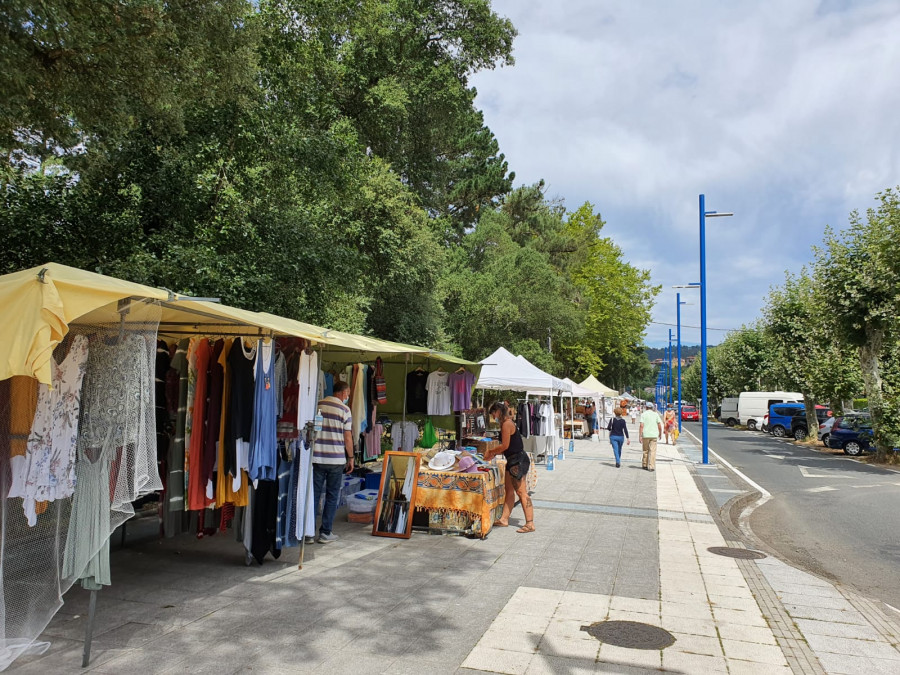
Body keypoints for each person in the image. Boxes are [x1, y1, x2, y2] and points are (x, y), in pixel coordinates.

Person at [312, 380, 354, 543]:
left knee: (314, 495)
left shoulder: (318, 404)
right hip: (336, 459)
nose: (348, 397)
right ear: (343, 393)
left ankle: (309, 533)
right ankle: (325, 532)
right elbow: (348, 437)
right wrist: (351, 457)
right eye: (348, 394)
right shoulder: (345, 410)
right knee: (331, 495)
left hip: (317, 457)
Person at [485, 401, 534, 533]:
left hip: (517, 461)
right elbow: (507, 446)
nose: (494, 417)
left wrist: (491, 452)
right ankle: (504, 519)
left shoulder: (507, 424)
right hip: (513, 460)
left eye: (494, 414)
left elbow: (505, 445)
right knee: (509, 490)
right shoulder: (506, 423)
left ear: (499, 412)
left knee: (521, 492)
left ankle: (530, 523)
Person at [639, 401, 663, 472]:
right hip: (654, 435)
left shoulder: (643, 414)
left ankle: (644, 464)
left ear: (646, 407)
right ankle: (651, 466)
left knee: (645, 450)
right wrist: (660, 433)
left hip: (645, 435)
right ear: (652, 408)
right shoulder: (656, 415)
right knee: (653, 451)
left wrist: (640, 436)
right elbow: (659, 425)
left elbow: (641, 426)